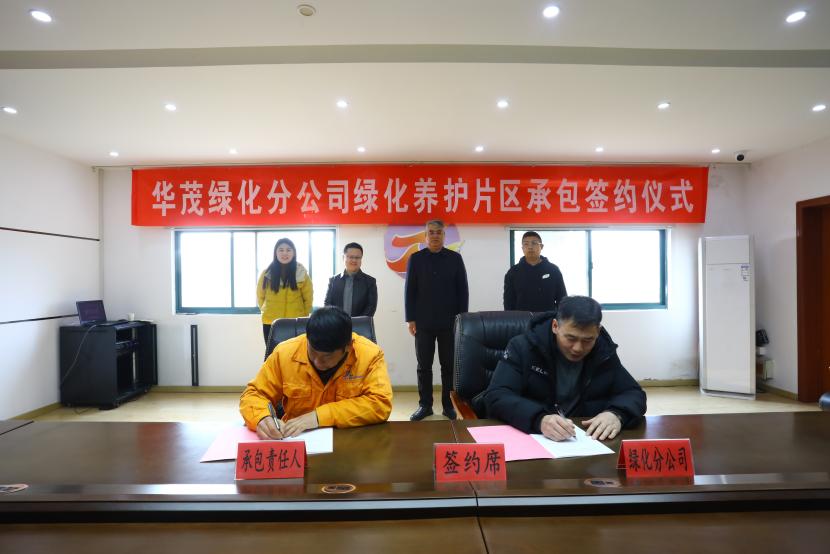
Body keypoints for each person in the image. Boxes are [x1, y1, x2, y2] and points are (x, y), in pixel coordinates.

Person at [485, 295, 646, 441]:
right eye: (570, 338)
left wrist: (617, 414)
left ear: (598, 331)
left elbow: (633, 393)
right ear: (555, 326)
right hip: (536, 438)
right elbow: (497, 396)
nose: (578, 348)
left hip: (584, 439)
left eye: (587, 340)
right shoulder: (524, 347)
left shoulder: (603, 352)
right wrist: (539, 419)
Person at [240, 306, 393, 438]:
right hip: (297, 439)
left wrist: (319, 417)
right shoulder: (284, 353)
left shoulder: (370, 355)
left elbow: (380, 403)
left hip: (349, 437)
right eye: (312, 352)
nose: (318, 362)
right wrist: (261, 417)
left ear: (348, 346)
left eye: (327, 357)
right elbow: (254, 394)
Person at [404, 220, 469, 421]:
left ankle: (449, 406)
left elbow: (463, 290)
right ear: (425, 236)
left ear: (444, 236)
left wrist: (462, 320)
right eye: (431, 232)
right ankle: (425, 405)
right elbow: (410, 291)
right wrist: (410, 319)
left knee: (448, 366)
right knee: (423, 365)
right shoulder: (416, 259)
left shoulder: (455, 258)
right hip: (423, 322)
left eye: (438, 232)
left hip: (450, 322)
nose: (435, 236)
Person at [256, 238, 313, 345]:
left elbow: (308, 298)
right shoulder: (266, 273)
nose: (284, 253)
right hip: (270, 322)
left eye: (288, 250)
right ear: (275, 253)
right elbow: (260, 296)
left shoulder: (301, 272)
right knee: (273, 353)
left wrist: (303, 316)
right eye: (281, 250)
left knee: (296, 352)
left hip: (295, 323)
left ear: (294, 253)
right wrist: (268, 311)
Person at [503, 231, 567, 312]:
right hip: (522, 319)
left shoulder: (553, 270)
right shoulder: (513, 272)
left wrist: (561, 318)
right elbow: (508, 302)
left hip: (548, 318)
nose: (530, 247)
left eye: (534, 243)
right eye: (526, 244)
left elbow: (562, 299)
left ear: (541, 246)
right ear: (522, 248)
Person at [324, 242, 378, 317]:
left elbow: (371, 308)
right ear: (343, 258)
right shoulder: (333, 281)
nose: (354, 260)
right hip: (336, 323)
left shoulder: (370, 282)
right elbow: (327, 305)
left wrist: (357, 322)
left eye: (357, 257)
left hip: (361, 324)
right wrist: (337, 321)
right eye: (351, 257)